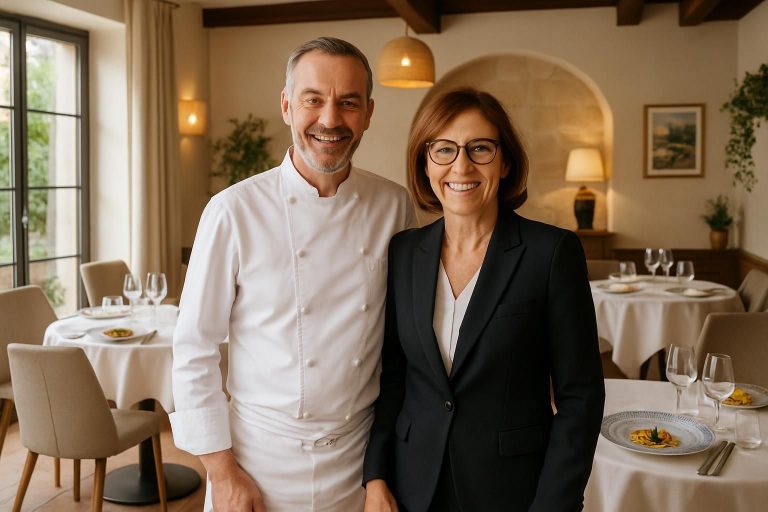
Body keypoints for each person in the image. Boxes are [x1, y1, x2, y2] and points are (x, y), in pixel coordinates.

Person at [170, 37, 416, 511]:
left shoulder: (394, 205)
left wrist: (381, 470)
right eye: (313, 100)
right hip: (257, 463)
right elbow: (194, 349)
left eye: (347, 103)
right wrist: (221, 473)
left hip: (358, 462)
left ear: (368, 112)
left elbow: (402, 349)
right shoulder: (232, 211)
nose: (329, 119)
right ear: (287, 106)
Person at [362, 88, 605, 512]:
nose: (462, 165)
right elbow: (395, 379)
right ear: (425, 162)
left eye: (480, 148)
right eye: (443, 149)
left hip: (513, 491)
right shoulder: (404, 253)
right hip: (411, 486)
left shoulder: (551, 253)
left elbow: (580, 398)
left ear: (506, 161)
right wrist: (376, 476)